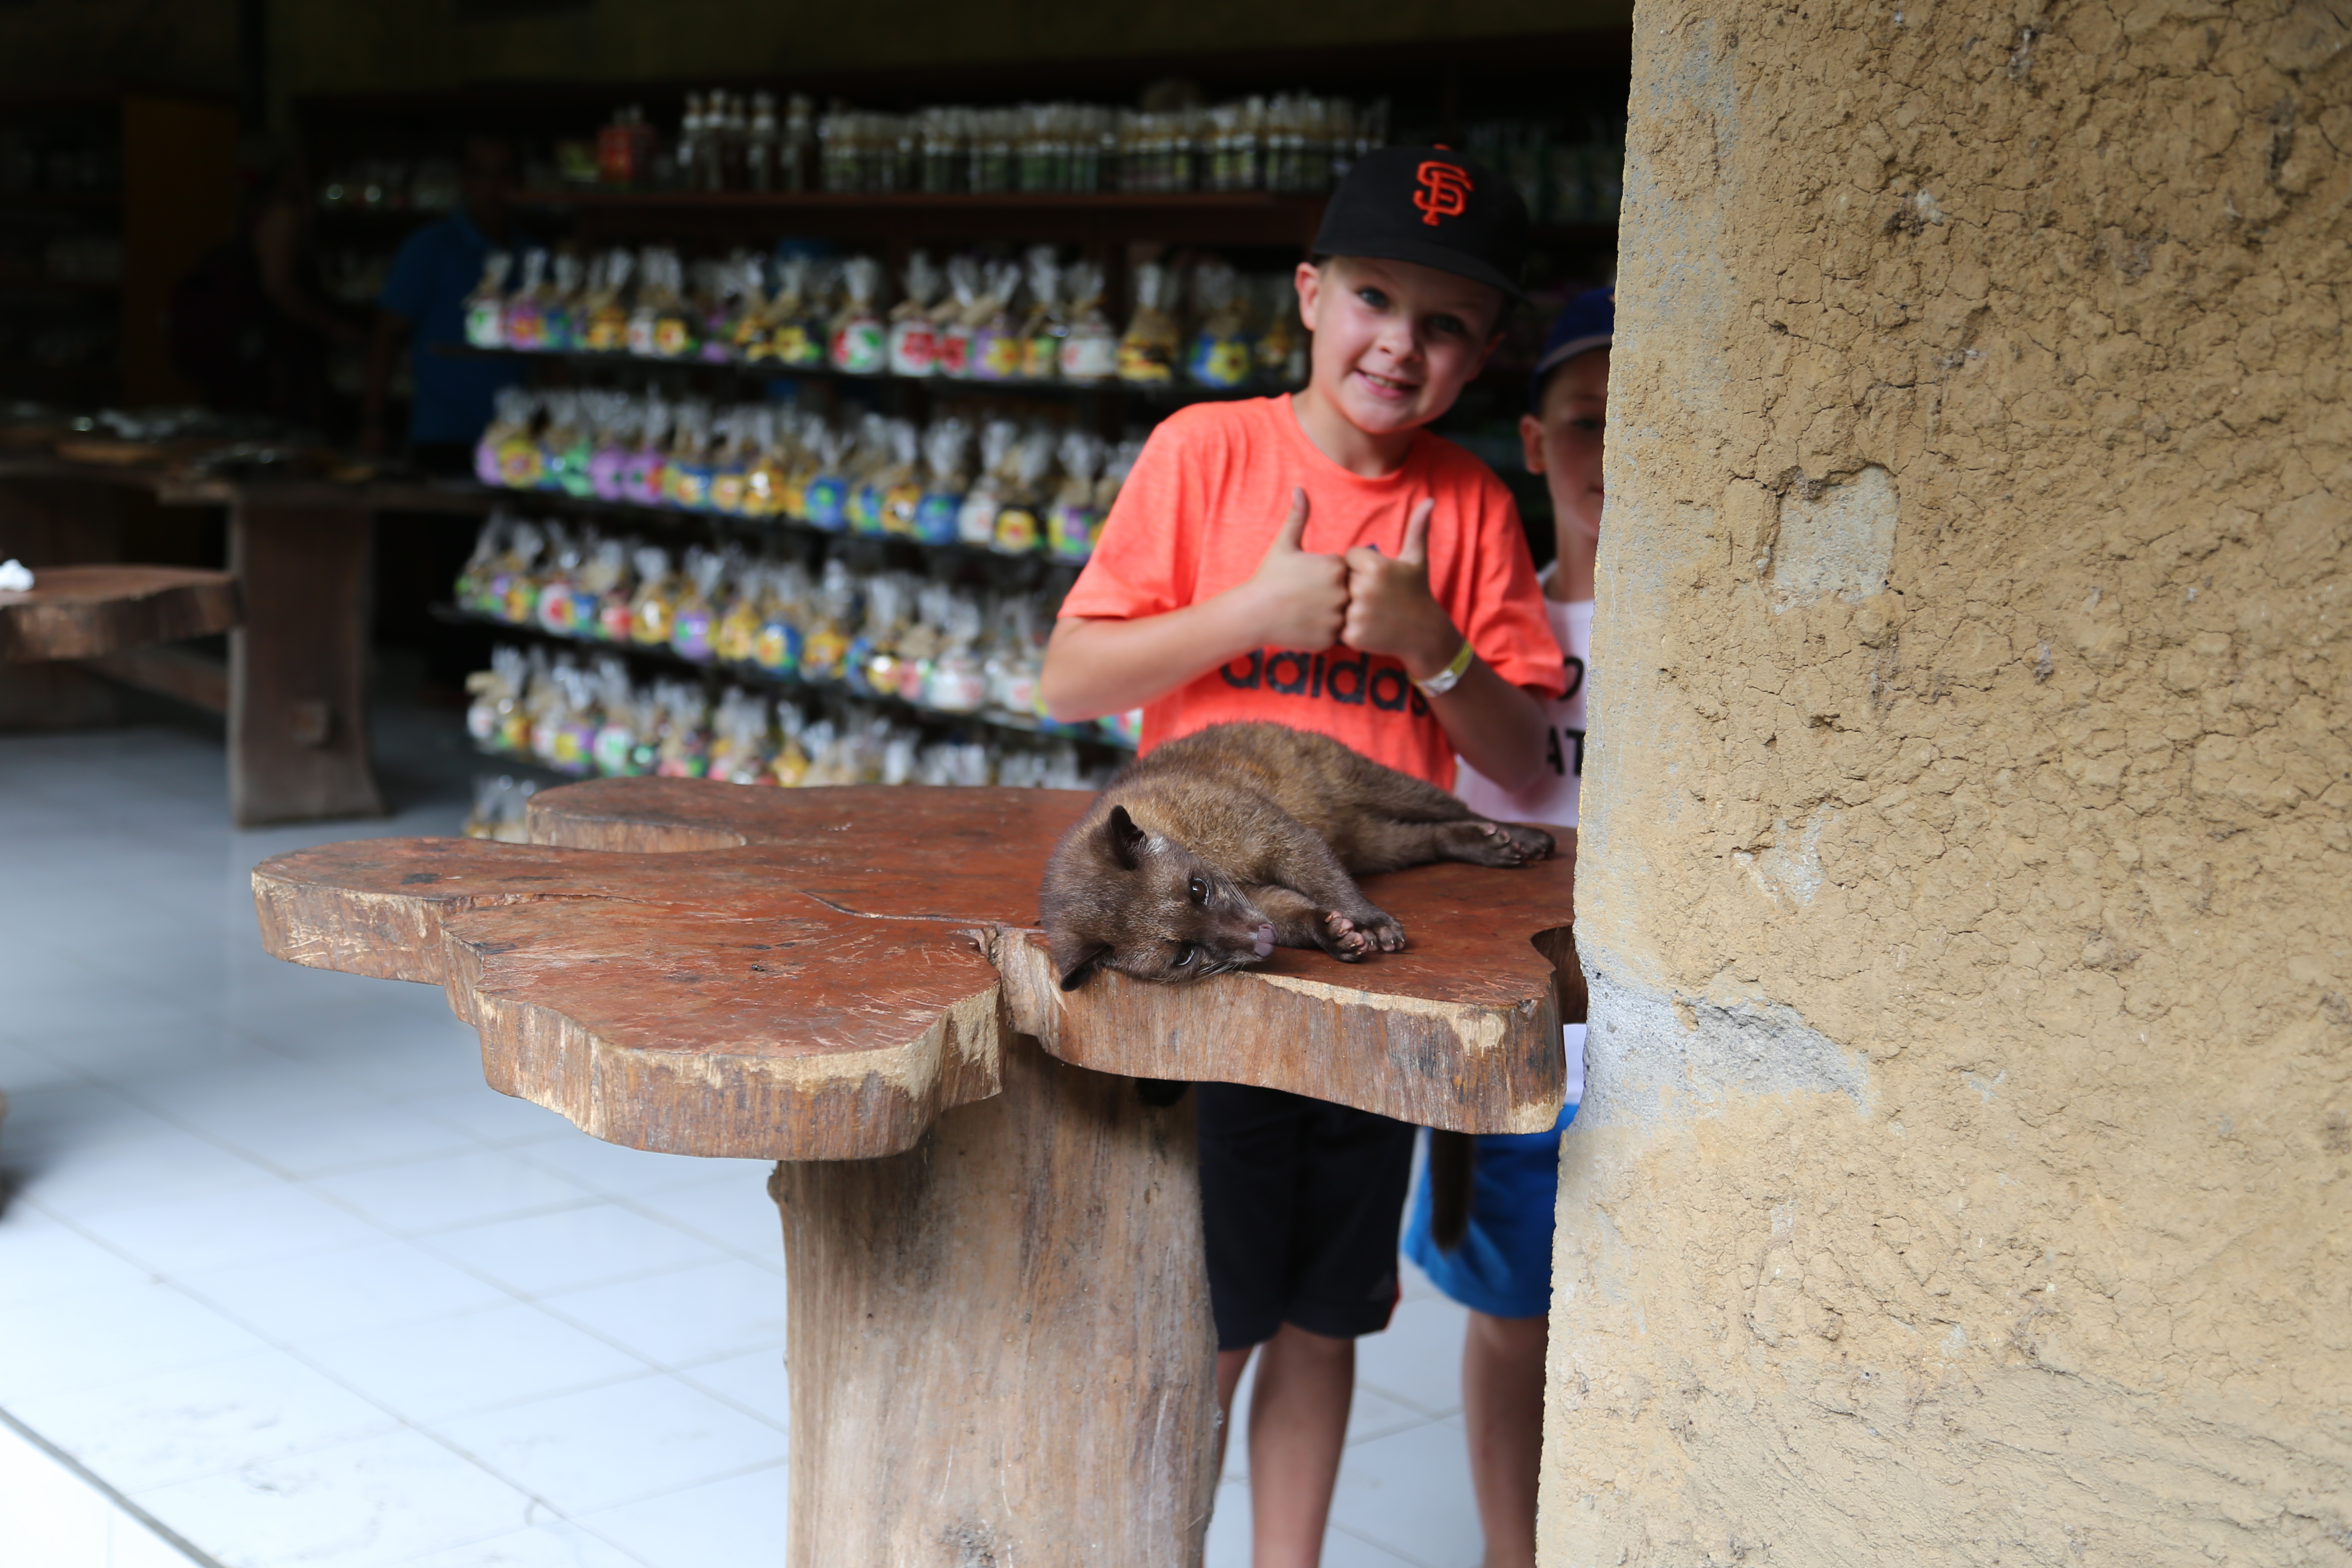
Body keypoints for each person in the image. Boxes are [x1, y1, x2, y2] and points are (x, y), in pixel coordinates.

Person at [1040, 147, 1564, 1567]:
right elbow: (1070, 677)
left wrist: (1431, 643)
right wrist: (1254, 606)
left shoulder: (1462, 506)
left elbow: (1519, 757)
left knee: (1327, 1312)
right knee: (1206, 1316)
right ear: (1309, 296)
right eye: (1375, 298)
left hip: (1372, 968)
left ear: (1486, 354)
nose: (1401, 342)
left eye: (1447, 322)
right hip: (1206, 975)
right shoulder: (1204, 452)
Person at [1402, 287, 1613, 1568]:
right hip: (1518, 1047)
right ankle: (1510, 1550)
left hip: (1658, 1054)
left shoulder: (1716, 644)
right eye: (1586, 420)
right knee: (1512, 1315)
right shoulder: (1491, 639)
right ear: (1533, 444)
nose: (1615, 451)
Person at [361, 137, 527, 473]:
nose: (493, 188)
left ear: (519, 181)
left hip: (517, 437)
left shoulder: (532, 256)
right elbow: (385, 336)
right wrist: (372, 421)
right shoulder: (429, 249)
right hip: (445, 434)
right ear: (465, 181)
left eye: (504, 175)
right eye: (482, 175)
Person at [168, 143, 363, 429]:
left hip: (251, 357)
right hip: (275, 358)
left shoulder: (247, 215)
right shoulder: (281, 216)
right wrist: (333, 327)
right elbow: (278, 286)